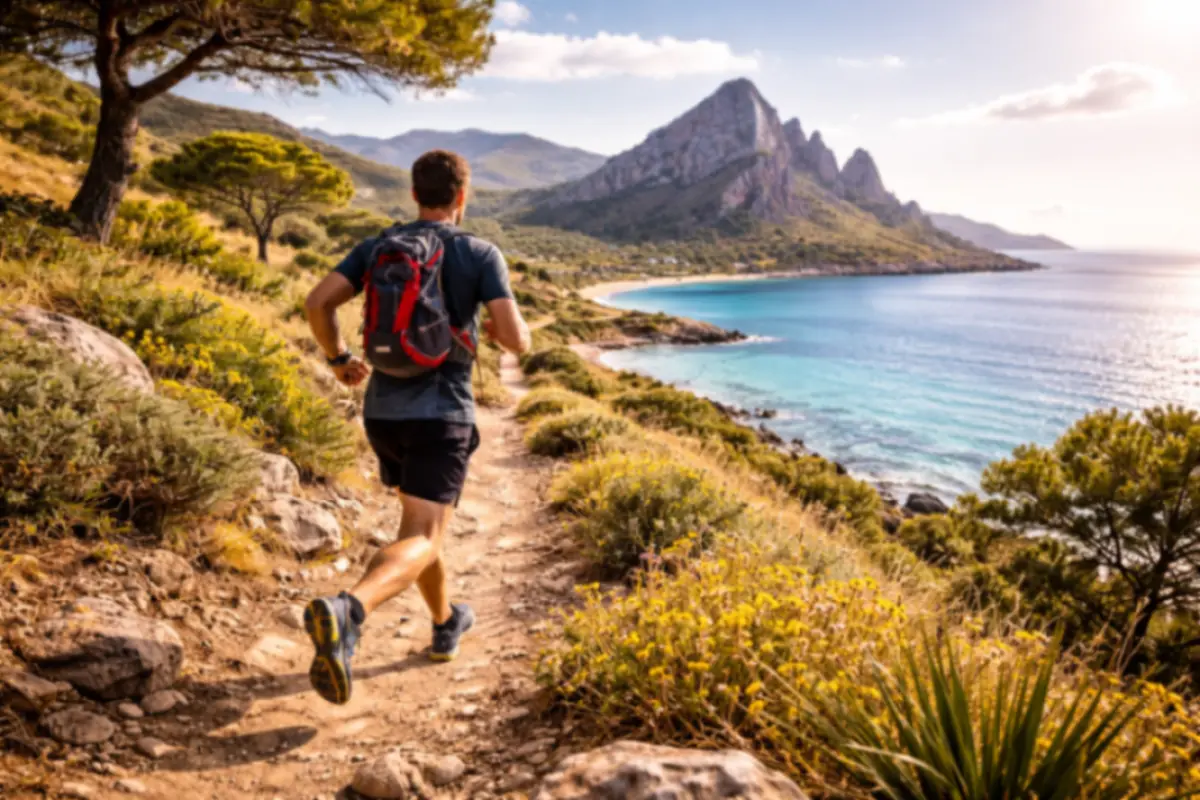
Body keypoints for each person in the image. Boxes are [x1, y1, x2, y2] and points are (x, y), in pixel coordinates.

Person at [301, 149, 532, 705]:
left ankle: (445, 620)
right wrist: (489, 327)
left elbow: (318, 302)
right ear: (461, 197)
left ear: (413, 195)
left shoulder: (380, 247)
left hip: (382, 411)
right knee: (425, 535)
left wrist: (338, 359)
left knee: (422, 526)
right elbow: (516, 339)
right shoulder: (478, 252)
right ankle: (349, 608)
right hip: (442, 414)